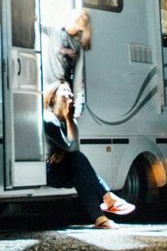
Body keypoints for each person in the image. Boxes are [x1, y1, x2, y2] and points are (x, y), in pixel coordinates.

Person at [44, 81, 135, 228]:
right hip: (46, 172)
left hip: (63, 170)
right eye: (64, 91)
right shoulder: (48, 119)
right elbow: (72, 149)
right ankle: (108, 197)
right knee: (77, 160)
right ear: (53, 98)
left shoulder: (70, 120)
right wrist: (66, 146)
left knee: (80, 172)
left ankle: (100, 218)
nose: (70, 94)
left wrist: (63, 149)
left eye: (70, 91)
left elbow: (73, 149)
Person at [45, 8, 90, 117]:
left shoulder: (78, 45)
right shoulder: (54, 30)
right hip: (49, 88)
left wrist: (78, 107)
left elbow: (78, 79)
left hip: (63, 92)